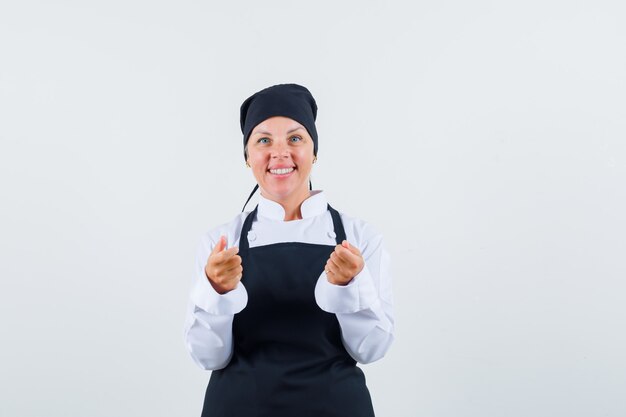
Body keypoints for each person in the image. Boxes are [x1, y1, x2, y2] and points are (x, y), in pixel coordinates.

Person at [183, 83, 395, 417]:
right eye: (263, 140)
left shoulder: (360, 237)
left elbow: (371, 349)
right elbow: (209, 357)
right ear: (247, 156)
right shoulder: (220, 243)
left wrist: (350, 286)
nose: (279, 153)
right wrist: (216, 290)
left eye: (295, 138)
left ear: (314, 152)